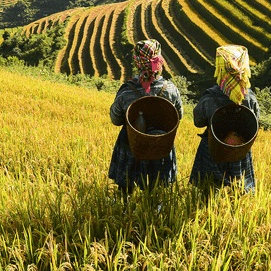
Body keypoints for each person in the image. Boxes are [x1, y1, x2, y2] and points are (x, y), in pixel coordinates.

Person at [108, 39, 184, 194]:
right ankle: (155, 212)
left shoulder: (126, 92)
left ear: (137, 63)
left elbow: (115, 119)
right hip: (161, 145)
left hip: (132, 146)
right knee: (158, 191)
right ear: (159, 61)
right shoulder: (170, 90)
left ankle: (125, 210)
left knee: (126, 189)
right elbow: (179, 116)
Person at [189, 44, 258, 193]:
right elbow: (255, 122)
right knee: (238, 191)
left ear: (220, 69)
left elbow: (198, 122)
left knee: (207, 191)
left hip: (213, 150)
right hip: (239, 152)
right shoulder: (250, 98)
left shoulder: (209, 99)